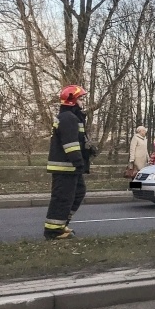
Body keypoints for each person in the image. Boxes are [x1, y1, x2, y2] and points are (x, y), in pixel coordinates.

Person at [44, 85, 91, 240]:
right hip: (66, 167)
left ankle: (61, 223)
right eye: (81, 98)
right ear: (73, 101)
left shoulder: (71, 117)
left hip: (70, 167)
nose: (82, 101)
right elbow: (70, 145)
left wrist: (88, 150)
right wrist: (79, 162)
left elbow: (76, 141)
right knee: (63, 197)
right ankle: (53, 231)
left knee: (77, 193)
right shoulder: (68, 118)